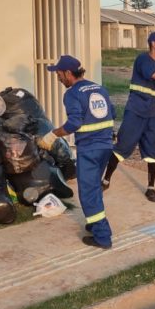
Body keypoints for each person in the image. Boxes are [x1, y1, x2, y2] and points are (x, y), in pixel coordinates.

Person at [37, 55, 115, 249]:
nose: (58, 79)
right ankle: (94, 223)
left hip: (89, 149)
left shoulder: (72, 94)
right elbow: (111, 113)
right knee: (94, 188)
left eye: (59, 74)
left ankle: (102, 236)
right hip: (105, 147)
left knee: (88, 193)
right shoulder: (99, 88)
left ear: (68, 73)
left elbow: (74, 124)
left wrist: (53, 135)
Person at [103, 30, 155, 202]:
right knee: (122, 147)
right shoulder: (143, 59)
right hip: (135, 111)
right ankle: (105, 179)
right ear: (153, 44)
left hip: (150, 114)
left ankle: (151, 188)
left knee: (152, 150)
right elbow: (153, 75)